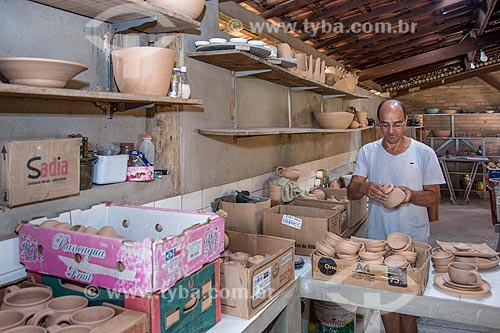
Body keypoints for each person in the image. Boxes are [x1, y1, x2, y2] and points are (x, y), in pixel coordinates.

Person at [347, 99, 445, 333]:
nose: (391, 131)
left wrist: (410, 195)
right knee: (386, 301)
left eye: (397, 124)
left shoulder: (423, 153)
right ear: (378, 124)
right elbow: (351, 192)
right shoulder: (368, 152)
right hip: (379, 241)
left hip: (413, 238)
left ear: (406, 122)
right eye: (385, 125)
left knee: (409, 302)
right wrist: (366, 187)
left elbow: (434, 198)